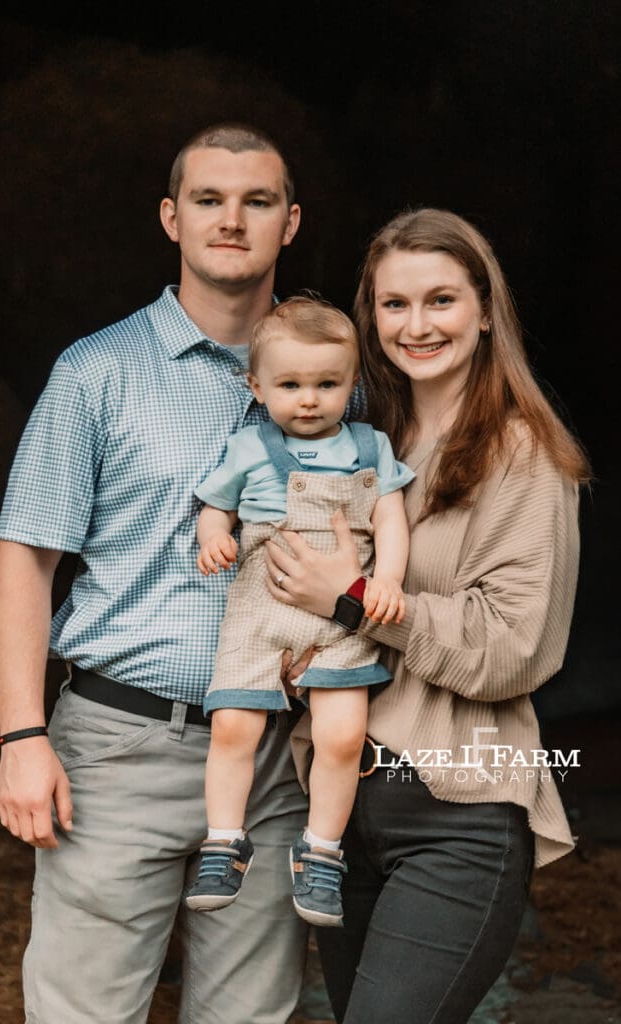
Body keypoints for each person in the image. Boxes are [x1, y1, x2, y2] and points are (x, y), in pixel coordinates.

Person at [0, 123, 340, 1024]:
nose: (232, 220)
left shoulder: (333, 382)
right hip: (116, 746)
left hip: (270, 759)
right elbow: (24, 559)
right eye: (209, 200)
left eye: (257, 201)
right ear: (170, 218)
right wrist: (22, 739)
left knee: (249, 1017)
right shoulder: (97, 373)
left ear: (290, 222)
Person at [264, 208, 590, 1023]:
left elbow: (514, 648)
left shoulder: (521, 453)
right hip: (341, 814)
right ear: (369, 315)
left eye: (440, 300)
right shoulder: (366, 440)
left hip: (455, 816)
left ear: (485, 310)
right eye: (393, 304)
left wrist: (355, 602)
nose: (416, 325)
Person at [185, 296, 413, 926]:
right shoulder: (248, 447)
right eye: (290, 385)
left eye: (327, 384)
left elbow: (389, 516)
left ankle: (320, 852)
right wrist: (214, 538)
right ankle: (224, 840)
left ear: (352, 383)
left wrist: (387, 577)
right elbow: (214, 505)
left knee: (342, 739)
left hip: (345, 619)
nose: (308, 399)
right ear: (256, 386)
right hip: (261, 613)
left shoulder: (371, 447)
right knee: (234, 726)